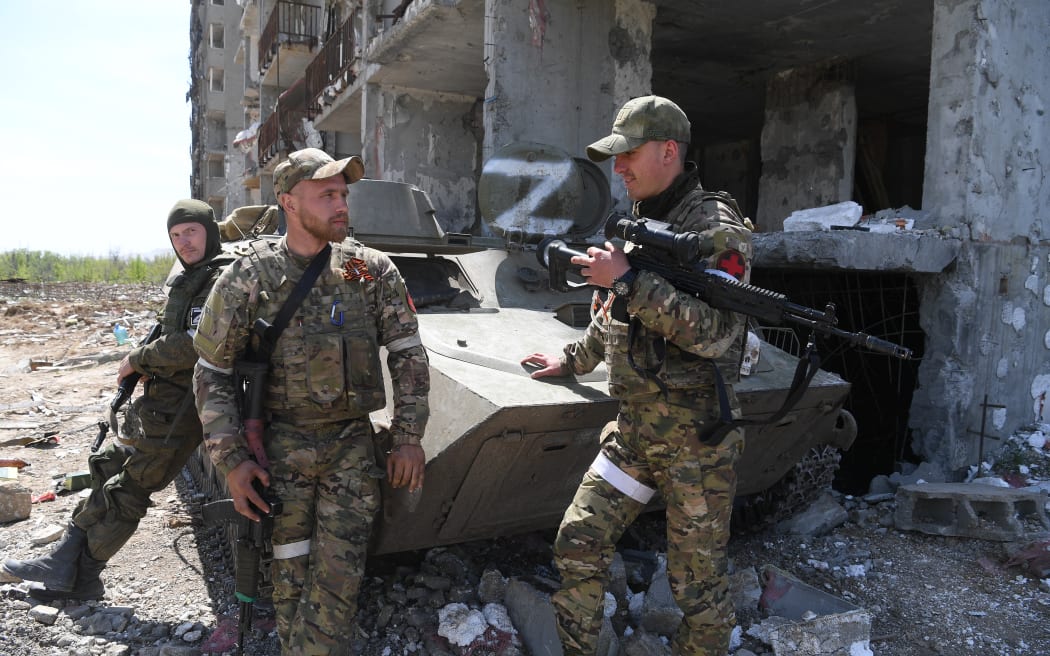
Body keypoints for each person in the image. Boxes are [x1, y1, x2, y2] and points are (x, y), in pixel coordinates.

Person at [520, 96, 754, 655]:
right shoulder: (639, 221)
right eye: (615, 157)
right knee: (578, 542)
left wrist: (629, 281)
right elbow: (614, 320)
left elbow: (720, 335)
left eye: (629, 155)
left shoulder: (714, 229)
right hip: (635, 435)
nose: (618, 167)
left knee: (696, 587)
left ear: (668, 151)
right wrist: (574, 360)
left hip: (696, 441)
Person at [192, 147, 430, 655]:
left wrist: (408, 437)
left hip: (350, 450)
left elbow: (407, 351)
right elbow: (211, 373)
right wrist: (232, 462)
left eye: (343, 194)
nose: (341, 204)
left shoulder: (365, 271)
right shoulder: (248, 278)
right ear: (288, 202)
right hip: (277, 452)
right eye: (327, 194)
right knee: (290, 578)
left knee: (338, 580)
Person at [3, 199, 233, 601]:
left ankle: (80, 573)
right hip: (160, 403)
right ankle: (67, 565)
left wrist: (139, 358)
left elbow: (197, 344)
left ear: (209, 232)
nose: (184, 242)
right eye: (176, 236)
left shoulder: (220, 278)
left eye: (191, 232)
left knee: (129, 490)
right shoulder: (191, 277)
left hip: (185, 409)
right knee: (107, 466)